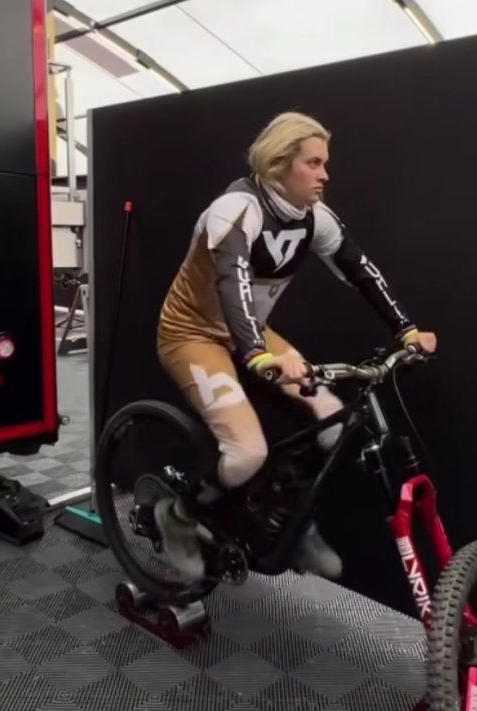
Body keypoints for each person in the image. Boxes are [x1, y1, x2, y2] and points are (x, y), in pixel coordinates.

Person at [155, 112, 436, 580]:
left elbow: (362, 272)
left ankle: (290, 521)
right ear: (279, 163)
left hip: (250, 331)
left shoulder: (313, 218)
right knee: (246, 452)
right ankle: (178, 516)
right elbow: (232, 285)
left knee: (331, 421)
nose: (325, 175)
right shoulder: (236, 209)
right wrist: (258, 355)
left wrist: (406, 329)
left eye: (325, 163)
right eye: (314, 163)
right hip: (193, 333)